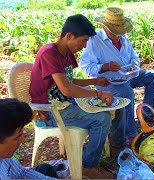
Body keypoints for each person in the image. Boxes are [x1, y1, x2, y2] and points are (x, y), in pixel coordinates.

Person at [29, 14, 127, 179]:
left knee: (111, 109)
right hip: (50, 110)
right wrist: (98, 93)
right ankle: (87, 166)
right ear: (69, 36)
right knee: (102, 119)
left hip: (65, 104)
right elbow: (67, 88)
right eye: (82, 41)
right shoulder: (48, 53)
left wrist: (94, 81)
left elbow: (67, 80)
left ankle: (112, 147)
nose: (84, 46)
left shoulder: (66, 53)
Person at [80, 7, 154, 143]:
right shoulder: (94, 41)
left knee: (153, 75)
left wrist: (134, 64)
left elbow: (134, 56)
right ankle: (131, 133)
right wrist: (106, 67)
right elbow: (87, 67)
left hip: (126, 77)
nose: (118, 35)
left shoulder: (123, 37)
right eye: (114, 32)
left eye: (120, 32)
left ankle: (147, 114)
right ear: (105, 28)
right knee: (126, 92)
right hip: (107, 82)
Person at [0, 98, 55, 179]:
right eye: (16, 138)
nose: (23, 140)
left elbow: (21, 173)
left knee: (45, 168)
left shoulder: (4, 158)